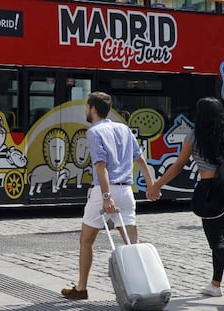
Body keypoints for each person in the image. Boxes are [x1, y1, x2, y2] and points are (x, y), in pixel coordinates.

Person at [147, 97, 224, 303]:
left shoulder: (195, 136)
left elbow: (178, 165)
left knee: (216, 242)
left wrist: (156, 186)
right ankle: (215, 285)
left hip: (209, 192)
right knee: (219, 237)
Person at [61, 91, 158, 300]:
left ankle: (82, 288)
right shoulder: (123, 128)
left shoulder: (94, 132)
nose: (86, 110)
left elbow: (101, 167)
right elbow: (140, 159)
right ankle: (143, 288)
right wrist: (151, 186)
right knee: (133, 246)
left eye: (87, 107)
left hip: (105, 191)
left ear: (93, 109)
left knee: (86, 241)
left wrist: (106, 196)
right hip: (126, 190)